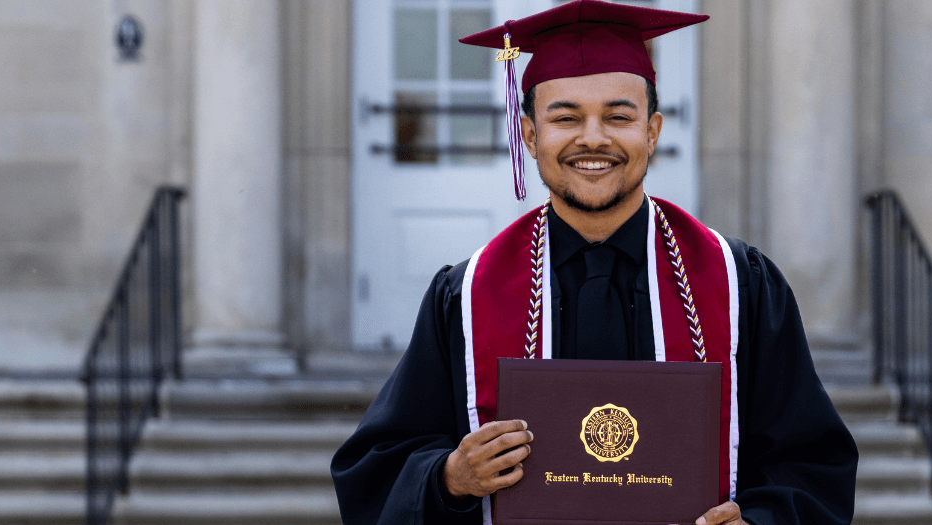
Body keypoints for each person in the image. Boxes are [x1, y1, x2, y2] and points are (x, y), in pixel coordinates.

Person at [331, 2, 857, 524]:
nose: (593, 138)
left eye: (617, 116)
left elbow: (810, 462)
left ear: (651, 131)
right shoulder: (467, 296)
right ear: (531, 136)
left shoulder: (739, 284)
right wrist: (448, 478)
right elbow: (374, 470)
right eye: (565, 118)